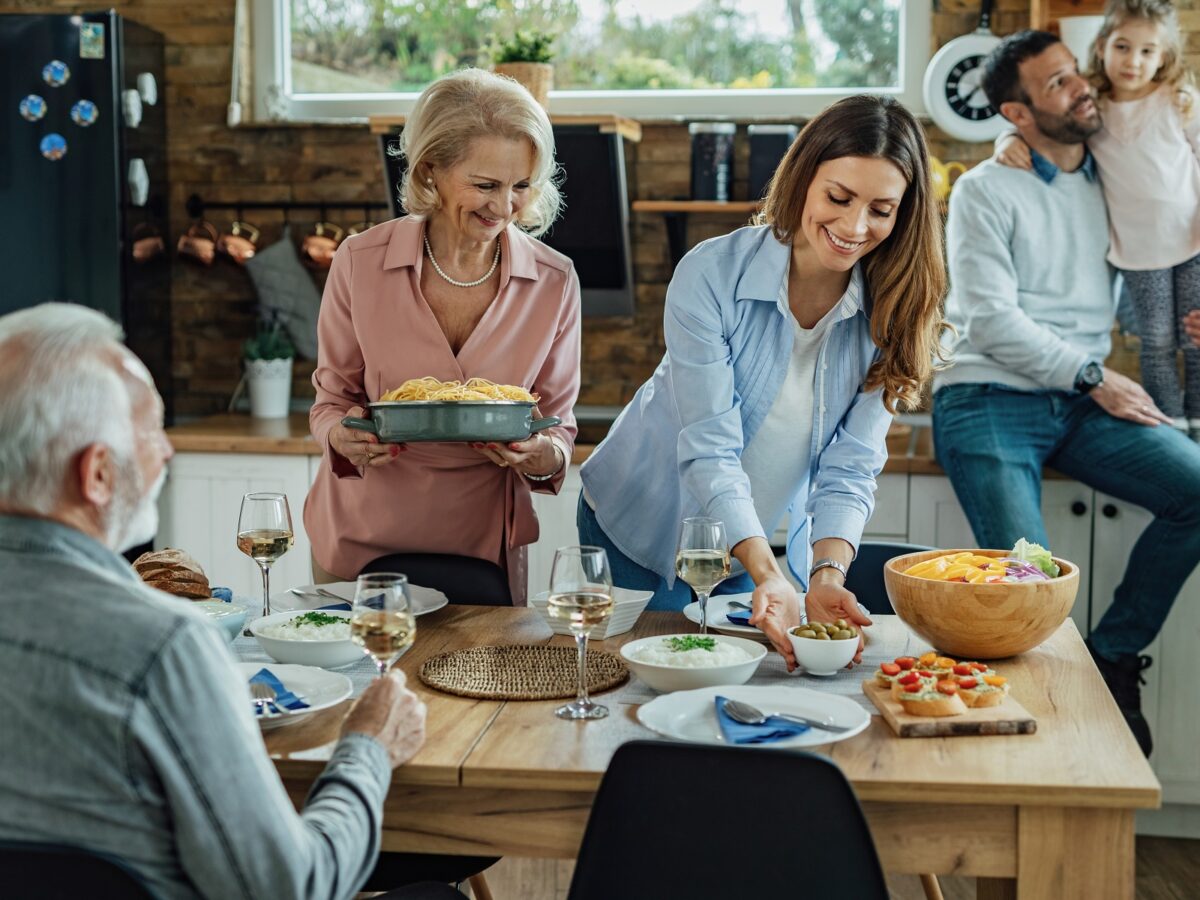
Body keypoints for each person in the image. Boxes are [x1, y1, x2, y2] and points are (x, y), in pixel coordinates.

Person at [0, 303, 464, 899]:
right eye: (150, 433)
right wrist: (367, 749)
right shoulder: (161, 647)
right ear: (95, 476)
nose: (165, 452)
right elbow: (290, 888)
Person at [579, 95, 949, 668]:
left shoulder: (895, 309)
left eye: (881, 209)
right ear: (803, 179)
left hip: (743, 551)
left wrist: (824, 574)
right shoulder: (711, 274)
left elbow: (850, 466)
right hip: (636, 527)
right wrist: (769, 572)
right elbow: (709, 449)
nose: (854, 226)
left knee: (730, 683)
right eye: (838, 197)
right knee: (640, 689)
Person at [934, 29, 1200, 756]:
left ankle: (1113, 656)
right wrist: (1095, 376)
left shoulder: (1110, 174)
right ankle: (1042, 764)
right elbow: (988, 317)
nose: (1081, 87)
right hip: (988, 396)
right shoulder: (986, 189)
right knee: (1031, 591)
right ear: (1016, 117)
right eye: (1055, 85)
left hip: (1082, 402)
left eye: (1073, 74)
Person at [306, 68, 580, 603]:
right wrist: (341, 437)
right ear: (430, 171)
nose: (504, 208)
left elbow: (559, 427)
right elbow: (330, 403)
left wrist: (541, 455)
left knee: (479, 686)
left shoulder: (554, 280)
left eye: (521, 185)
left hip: (482, 550)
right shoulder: (360, 262)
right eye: (485, 185)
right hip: (359, 542)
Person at [995, 0, 1200, 442]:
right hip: (1139, 251)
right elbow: (1039, 123)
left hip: (1193, 240)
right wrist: (1006, 137)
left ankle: (1198, 422)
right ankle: (1173, 428)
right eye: (1123, 47)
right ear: (1102, 46)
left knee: (1197, 339)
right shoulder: (1096, 107)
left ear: (1164, 57)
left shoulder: (1179, 100)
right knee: (1159, 342)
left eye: (1148, 52)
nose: (1134, 61)